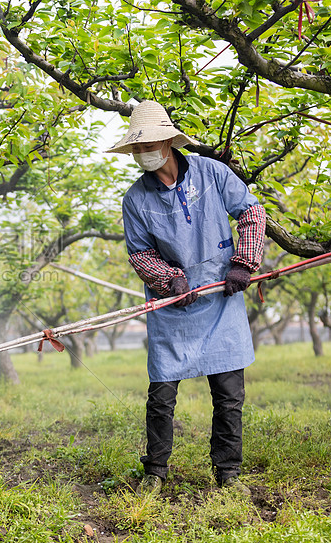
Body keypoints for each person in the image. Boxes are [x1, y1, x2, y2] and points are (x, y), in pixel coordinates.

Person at [107, 100, 266, 496]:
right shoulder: (135, 200)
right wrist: (170, 281)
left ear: (168, 142)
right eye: (137, 148)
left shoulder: (211, 173)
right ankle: (155, 471)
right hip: (174, 305)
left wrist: (243, 263)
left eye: (149, 145)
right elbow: (140, 253)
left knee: (229, 394)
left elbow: (251, 212)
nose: (143, 153)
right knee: (161, 394)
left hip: (221, 295)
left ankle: (228, 472)